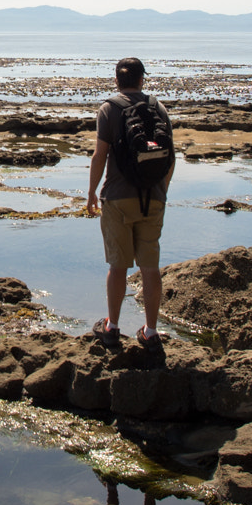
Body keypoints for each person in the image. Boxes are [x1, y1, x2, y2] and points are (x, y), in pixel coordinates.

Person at [85, 56, 175, 344]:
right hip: (153, 197)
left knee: (118, 266)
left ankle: (112, 327)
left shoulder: (109, 109)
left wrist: (91, 192)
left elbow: (100, 155)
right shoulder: (158, 107)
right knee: (150, 267)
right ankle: (150, 332)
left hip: (117, 197)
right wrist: (162, 189)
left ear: (116, 80)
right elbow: (171, 157)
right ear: (141, 80)